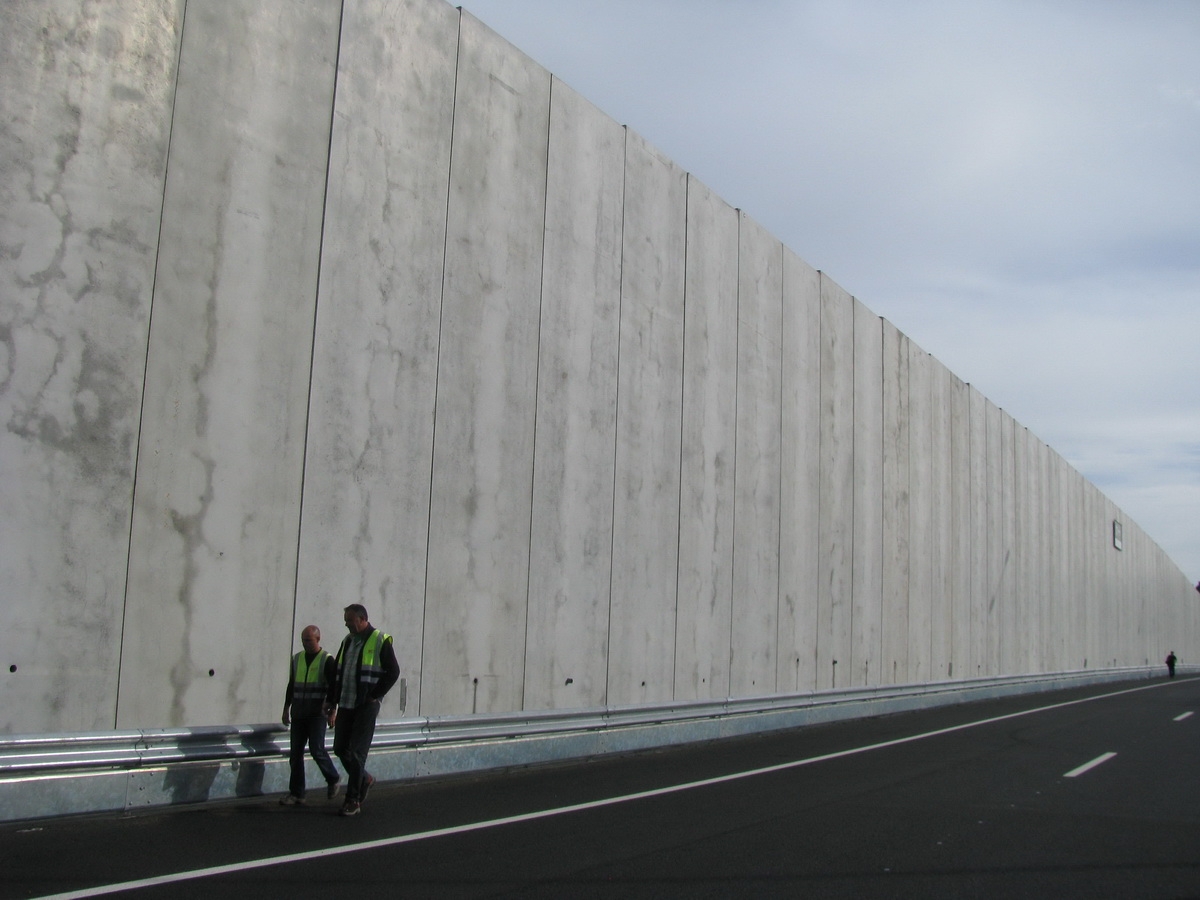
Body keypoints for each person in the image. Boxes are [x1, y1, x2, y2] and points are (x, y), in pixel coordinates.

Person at [330, 604, 400, 817]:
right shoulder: (348, 641)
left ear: (362, 619)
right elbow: (338, 673)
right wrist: (332, 701)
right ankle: (365, 779)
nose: (346, 623)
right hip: (346, 702)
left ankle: (353, 800)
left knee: (358, 752)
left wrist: (374, 695)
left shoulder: (380, 639)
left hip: (366, 705)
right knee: (341, 748)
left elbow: (393, 671)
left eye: (349, 620)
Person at [280, 625, 341, 805]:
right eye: (303, 640)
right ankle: (297, 793)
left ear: (318, 639)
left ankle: (332, 778)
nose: (305, 644)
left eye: (308, 640)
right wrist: (286, 708)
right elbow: (292, 685)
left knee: (317, 749)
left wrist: (333, 710)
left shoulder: (326, 660)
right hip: (299, 713)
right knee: (295, 754)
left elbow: (334, 687)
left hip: (317, 714)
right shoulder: (297, 659)